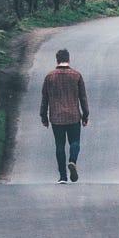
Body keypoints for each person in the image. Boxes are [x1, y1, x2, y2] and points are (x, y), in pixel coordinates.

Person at [40, 47, 89, 181]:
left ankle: (62, 177)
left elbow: (45, 99)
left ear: (57, 60)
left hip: (56, 118)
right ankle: (72, 161)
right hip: (73, 116)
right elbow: (83, 98)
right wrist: (86, 115)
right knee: (75, 142)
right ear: (68, 59)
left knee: (59, 145)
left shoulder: (49, 77)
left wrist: (43, 117)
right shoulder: (76, 75)